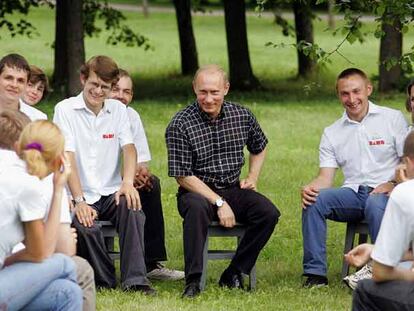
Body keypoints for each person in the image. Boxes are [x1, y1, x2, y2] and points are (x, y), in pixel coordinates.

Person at [165, 64, 280, 298]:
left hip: (233, 188)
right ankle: (194, 280)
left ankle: (235, 272)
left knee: (268, 213)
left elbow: (259, 146)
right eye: (203, 92)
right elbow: (183, 176)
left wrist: (252, 177)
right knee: (196, 210)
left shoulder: (242, 115)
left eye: (214, 92)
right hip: (196, 192)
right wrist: (219, 202)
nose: (208, 99)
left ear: (226, 89)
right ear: (194, 89)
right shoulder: (180, 124)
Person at [54, 55, 156, 294]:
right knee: (85, 225)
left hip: (110, 191)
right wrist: (79, 201)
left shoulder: (118, 110)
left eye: (105, 87)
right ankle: (105, 279)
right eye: (94, 84)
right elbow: (66, 156)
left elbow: (128, 147)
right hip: (79, 193)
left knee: (132, 208)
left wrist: (128, 183)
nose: (99, 91)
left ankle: (135, 280)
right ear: (83, 79)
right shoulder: (65, 109)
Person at [301, 68, 408, 287]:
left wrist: (393, 182)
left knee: (375, 201)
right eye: (345, 94)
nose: (352, 99)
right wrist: (311, 188)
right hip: (352, 194)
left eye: (356, 91)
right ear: (338, 95)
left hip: (387, 193)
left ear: (368, 89)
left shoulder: (392, 119)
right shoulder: (332, 132)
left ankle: (384, 269)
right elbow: (326, 177)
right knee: (314, 201)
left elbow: (407, 161)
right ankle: (315, 274)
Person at [1, 110, 96, 311]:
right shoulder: (29, 185)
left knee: (68, 293)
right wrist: (59, 190)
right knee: (66, 264)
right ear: (58, 160)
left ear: (19, 146)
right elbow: (42, 252)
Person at [110, 68, 184, 281]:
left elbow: (141, 160)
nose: (121, 96)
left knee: (151, 183)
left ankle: (151, 263)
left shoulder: (131, 116)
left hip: (127, 181)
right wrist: (127, 177)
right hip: (103, 184)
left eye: (127, 92)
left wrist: (139, 174)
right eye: (116, 89)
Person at [346, 130, 414, 311]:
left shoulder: (406, 192)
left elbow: (381, 273)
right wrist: (376, 250)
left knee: (365, 290)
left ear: (406, 163)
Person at [0, 53, 47, 120]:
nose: (14, 85)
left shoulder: (38, 118)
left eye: (20, 80)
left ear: (26, 84)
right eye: (9, 78)